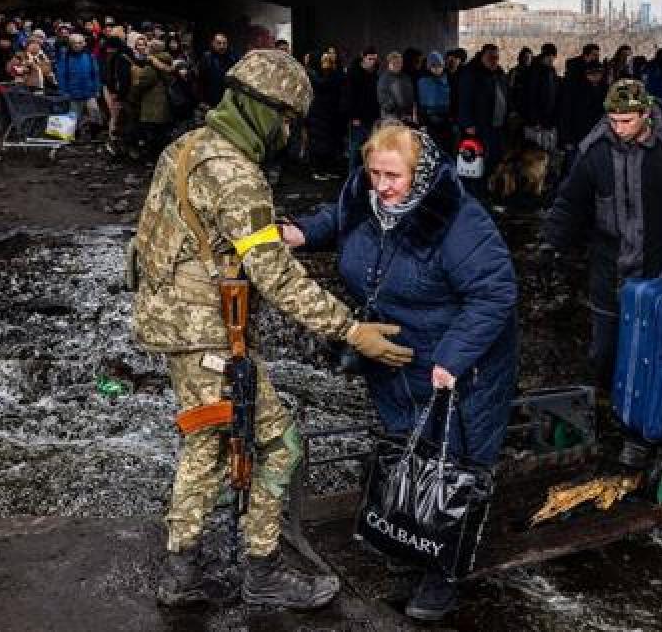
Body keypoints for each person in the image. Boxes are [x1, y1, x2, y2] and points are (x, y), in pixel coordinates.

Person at [130, 49, 411, 612]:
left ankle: (182, 571)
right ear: (264, 110)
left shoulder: (186, 147)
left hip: (176, 327)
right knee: (280, 443)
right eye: (287, 119)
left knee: (206, 445)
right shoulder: (235, 172)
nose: (289, 132)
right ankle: (262, 571)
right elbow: (276, 276)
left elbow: (153, 243)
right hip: (208, 335)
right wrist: (351, 330)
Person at [284, 122, 517, 621]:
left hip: (458, 367)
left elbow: (495, 293)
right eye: (374, 174)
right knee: (408, 450)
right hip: (394, 361)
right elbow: (339, 219)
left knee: (451, 466)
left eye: (394, 176)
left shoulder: (456, 220)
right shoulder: (366, 198)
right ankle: (410, 543)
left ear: (423, 172)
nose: (382, 186)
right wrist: (302, 232)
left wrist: (452, 358)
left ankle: (444, 575)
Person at [542, 79, 662, 449]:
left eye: (626, 120)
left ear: (645, 114)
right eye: (612, 120)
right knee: (605, 350)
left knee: (651, 351)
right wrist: (551, 242)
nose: (618, 127)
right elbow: (571, 200)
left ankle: (649, 423)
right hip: (609, 267)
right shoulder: (595, 149)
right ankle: (605, 417)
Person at [457, 44, 510, 185]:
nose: (494, 60)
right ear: (482, 56)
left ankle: (489, 187)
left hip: (497, 123)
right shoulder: (471, 73)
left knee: (494, 157)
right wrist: (467, 123)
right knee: (477, 158)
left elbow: (505, 95)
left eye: (496, 57)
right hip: (479, 124)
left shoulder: (499, 73)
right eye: (490, 57)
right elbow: (463, 99)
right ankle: (475, 190)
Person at [127, 39, 175, 161]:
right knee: (163, 133)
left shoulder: (151, 66)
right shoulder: (169, 62)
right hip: (166, 104)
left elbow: (141, 84)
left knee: (152, 134)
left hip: (152, 106)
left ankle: (153, 158)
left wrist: (132, 96)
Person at [557, 59, 608, 168]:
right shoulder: (575, 90)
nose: (596, 77)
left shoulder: (604, 90)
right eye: (592, 74)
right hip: (577, 137)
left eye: (599, 74)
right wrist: (566, 138)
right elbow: (566, 114)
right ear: (586, 74)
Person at [306, 51, 346, 180]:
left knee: (329, 143)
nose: (327, 62)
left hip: (330, 113)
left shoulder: (332, 75)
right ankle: (317, 170)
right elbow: (321, 85)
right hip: (319, 112)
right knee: (318, 143)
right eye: (325, 60)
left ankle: (326, 169)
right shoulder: (316, 75)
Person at [55, 33, 104, 138]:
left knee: (95, 115)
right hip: (73, 93)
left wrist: (97, 89)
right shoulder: (65, 57)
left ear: (84, 44)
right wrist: (64, 92)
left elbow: (95, 74)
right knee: (74, 118)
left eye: (79, 43)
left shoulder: (90, 56)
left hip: (89, 92)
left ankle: (95, 137)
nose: (77, 45)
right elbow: (62, 76)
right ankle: (75, 138)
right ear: (70, 44)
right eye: (74, 43)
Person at [342, 47, 381, 172]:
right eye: (370, 59)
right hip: (358, 118)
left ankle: (365, 176)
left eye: (374, 59)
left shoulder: (374, 73)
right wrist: (354, 116)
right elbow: (349, 97)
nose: (372, 61)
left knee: (369, 148)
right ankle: (353, 176)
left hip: (371, 116)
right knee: (355, 149)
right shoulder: (353, 74)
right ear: (363, 57)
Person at [102, 26, 135, 155]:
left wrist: (116, 93)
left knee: (116, 117)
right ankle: (117, 141)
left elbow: (118, 77)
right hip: (123, 92)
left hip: (118, 92)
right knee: (119, 116)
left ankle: (114, 141)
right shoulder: (125, 54)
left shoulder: (117, 57)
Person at [416, 51, 452, 153]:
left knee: (446, 147)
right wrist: (423, 119)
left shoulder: (448, 79)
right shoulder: (422, 81)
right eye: (434, 66)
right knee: (431, 147)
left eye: (440, 66)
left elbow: (452, 98)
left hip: (446, 118)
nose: (437, 69)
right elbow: (420, 102)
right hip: (429, 119)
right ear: (429, 67)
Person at [523, 43, 560, 132]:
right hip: (538, 119)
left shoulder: (551, 70)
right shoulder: (534, 71)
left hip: (549, 117)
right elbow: (530, 96)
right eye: (550, 56)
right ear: (545, 56)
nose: (552, 59)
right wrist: (534, 120)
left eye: (553, 57)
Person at [197, 33, 238, 107]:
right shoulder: (206, 58)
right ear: (213, 43)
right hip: (211, 99)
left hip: (228, 98)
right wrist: (202, 100)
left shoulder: (232, 58)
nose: (222, 46)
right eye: (219, 43)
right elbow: (200, 80)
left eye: (224, 43)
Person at [377, 51, 415, 123]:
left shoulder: (406, 77)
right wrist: (395, 110)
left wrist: (409, 111)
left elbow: (410, 95)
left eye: (399, 62)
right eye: (394, 63)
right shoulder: (384, 79)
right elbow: (383, 99)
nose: (397, 65)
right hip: (390, 117)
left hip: (406, 116)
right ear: (389, 64)